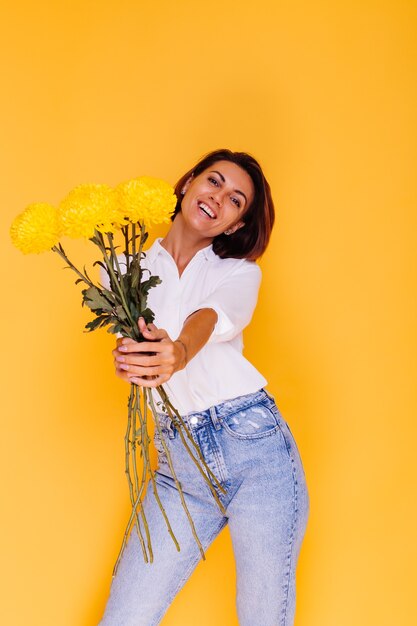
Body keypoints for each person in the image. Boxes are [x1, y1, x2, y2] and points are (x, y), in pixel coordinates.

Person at [99, 149, 310, 626]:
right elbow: (131, 345)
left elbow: (210, 318)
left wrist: (177, 352)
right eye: (213, 181)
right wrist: (135, 363)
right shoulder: (121, 267)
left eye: (236, 200)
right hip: (178, 469)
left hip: (256, 454)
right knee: (124, 618)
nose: (218, 198)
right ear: (189, 181)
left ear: (236, 225)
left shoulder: (239, 273)